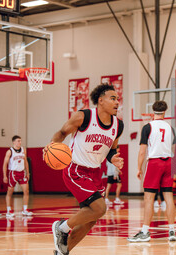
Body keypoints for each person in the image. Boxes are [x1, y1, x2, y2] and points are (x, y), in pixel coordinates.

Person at [46, 84, 124, 255]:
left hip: (95, 172)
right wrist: (52, 146)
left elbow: (111, 148)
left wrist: (113, 158)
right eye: (113, 98)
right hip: (75, 169)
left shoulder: (118, 125)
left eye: (117, 99)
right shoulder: (84, 116)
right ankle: (62, 227)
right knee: (99, 208)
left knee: (91, 219)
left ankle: (62, 252)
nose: (117, 102)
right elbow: (61, 132)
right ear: (100, 101)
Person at [128, 101, 176, 242]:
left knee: (149, 199)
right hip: (168, 162)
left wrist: (139, 168)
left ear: (152, 111)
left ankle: (144, 232)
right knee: (169, 198)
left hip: (154, 163)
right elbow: (173, 149)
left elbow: (142, 152)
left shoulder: (147, 127)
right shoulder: (170, 128)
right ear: (165, 111)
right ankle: (172, 231)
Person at [3, 135, 33, 217]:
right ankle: (9, 210)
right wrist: (4, 175)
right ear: (14, 142)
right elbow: (5, 163)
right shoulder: (10, 151)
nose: (20, 142)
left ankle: (25, 209)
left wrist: (28, 172)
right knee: (10, 192)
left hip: (22, 172)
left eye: (20, 140)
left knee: (26, 191)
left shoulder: (23, 150)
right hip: (13, 173)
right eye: (18, 141)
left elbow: (26, 161)